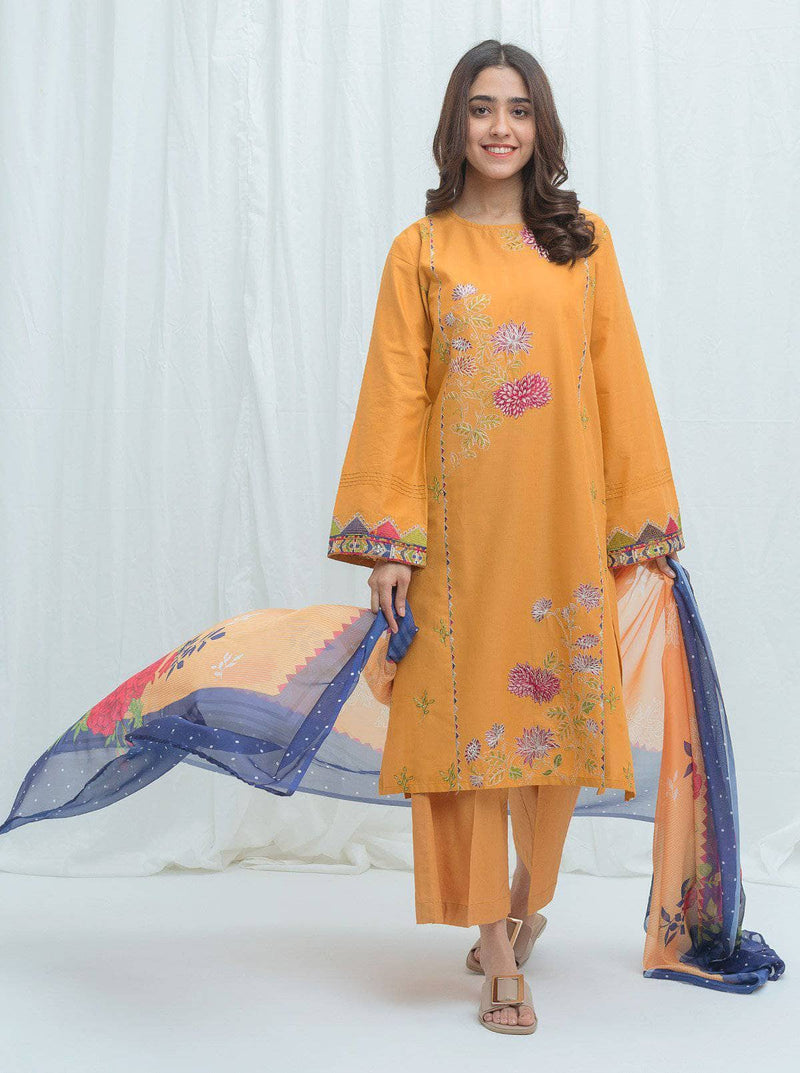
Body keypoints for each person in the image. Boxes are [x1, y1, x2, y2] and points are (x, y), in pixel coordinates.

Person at [327, 39, 684, 1035]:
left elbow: (619, 383)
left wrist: (640, 523)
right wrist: (390, 542)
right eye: (482, 108)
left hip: (563, 526)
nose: (499, 127)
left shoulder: (582, 244)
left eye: (518, 110)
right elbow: (395, 398)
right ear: (456, 125)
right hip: (457, 539)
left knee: (555, 723)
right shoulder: (422, 250)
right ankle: (494, 949)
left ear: (540, 126)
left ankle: (528, 892)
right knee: (468, 733)